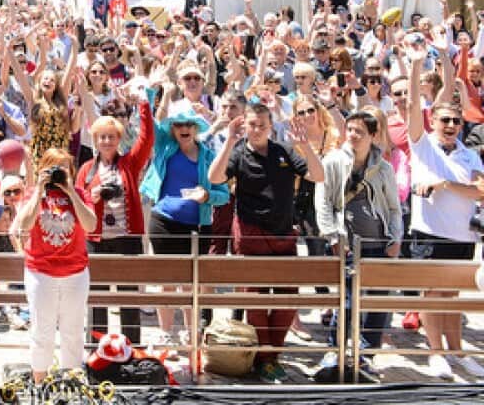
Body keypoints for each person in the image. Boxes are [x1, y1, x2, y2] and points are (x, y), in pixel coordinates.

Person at [207, 103, 325, 383]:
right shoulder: (237, 153)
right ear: (244, 125)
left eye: (262, 124)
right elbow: (214, 178)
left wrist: (305, 146)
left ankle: (271, 356)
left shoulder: (283, 150)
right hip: (250, 234)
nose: (257, 130)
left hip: (283, 234)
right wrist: (229, 142)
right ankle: (265, 359)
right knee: (255, 300)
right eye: (252, 124)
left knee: (288, 298)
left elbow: (318, 176)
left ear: (271, 126)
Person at [404, 44, 484, 379]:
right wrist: (417, 63)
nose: (450, 125)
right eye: (444, 120)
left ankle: (456, 351)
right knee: (432, 295)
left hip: (462, 234)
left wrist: (443, 185)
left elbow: (480, 189)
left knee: (451, 297)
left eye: (455, 120)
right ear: (432, 121)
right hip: (431, 232)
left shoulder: (469, 154)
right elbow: (410, 105)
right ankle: (435, 352)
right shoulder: (421, 145)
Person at [314, 111, 400, 377]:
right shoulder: (333, 161)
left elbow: (394, 207)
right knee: (348, 301)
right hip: (348, 244)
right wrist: (333, 236)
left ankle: (366, 355)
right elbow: (323, 201)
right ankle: (335, 349)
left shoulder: (384, 167)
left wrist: (395, 238)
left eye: (359, 131)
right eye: (350, 129)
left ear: (373, 136)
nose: (352, 135)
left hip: (379, 243)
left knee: (377, 303)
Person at [139, 105, 229, 342]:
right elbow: (149, 126)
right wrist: (149, 96)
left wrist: (207, 196)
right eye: (179, 124)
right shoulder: (166, 147)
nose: (184, 128)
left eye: (189, 124)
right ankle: (166, 333)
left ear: (196, 128)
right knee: (166, 282)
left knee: (191, 284)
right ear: (173, 129)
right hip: (163, 222)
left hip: (197, 227)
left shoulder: (209, 156)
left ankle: (192, 334)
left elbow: (224, 195)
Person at [74, 91, 154, 346]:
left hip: (126, 238)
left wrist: (143, 104)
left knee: (129, 296)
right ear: (95, 141)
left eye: (111, 137)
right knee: (96, 297)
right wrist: (92, 196)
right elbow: (77, 201)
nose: (107, 141)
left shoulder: (129, 163)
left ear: (119, 139)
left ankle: (132, 348)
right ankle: (97, 347)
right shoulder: (87, 170)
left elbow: (147, 138)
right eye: (102, 137)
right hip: (96, 240)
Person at [13, 149, 97, 380]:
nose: (58, 174)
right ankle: (39, 385)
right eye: (53, 168)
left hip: (75, 273)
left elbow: (90, 225)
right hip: (41, 273)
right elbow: (24, 225)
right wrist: (39, 190)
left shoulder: (79, 193)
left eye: (63, 168)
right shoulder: (32, 193)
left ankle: (71, 383)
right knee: (42, 332)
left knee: (73, 333)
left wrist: (70, 190)